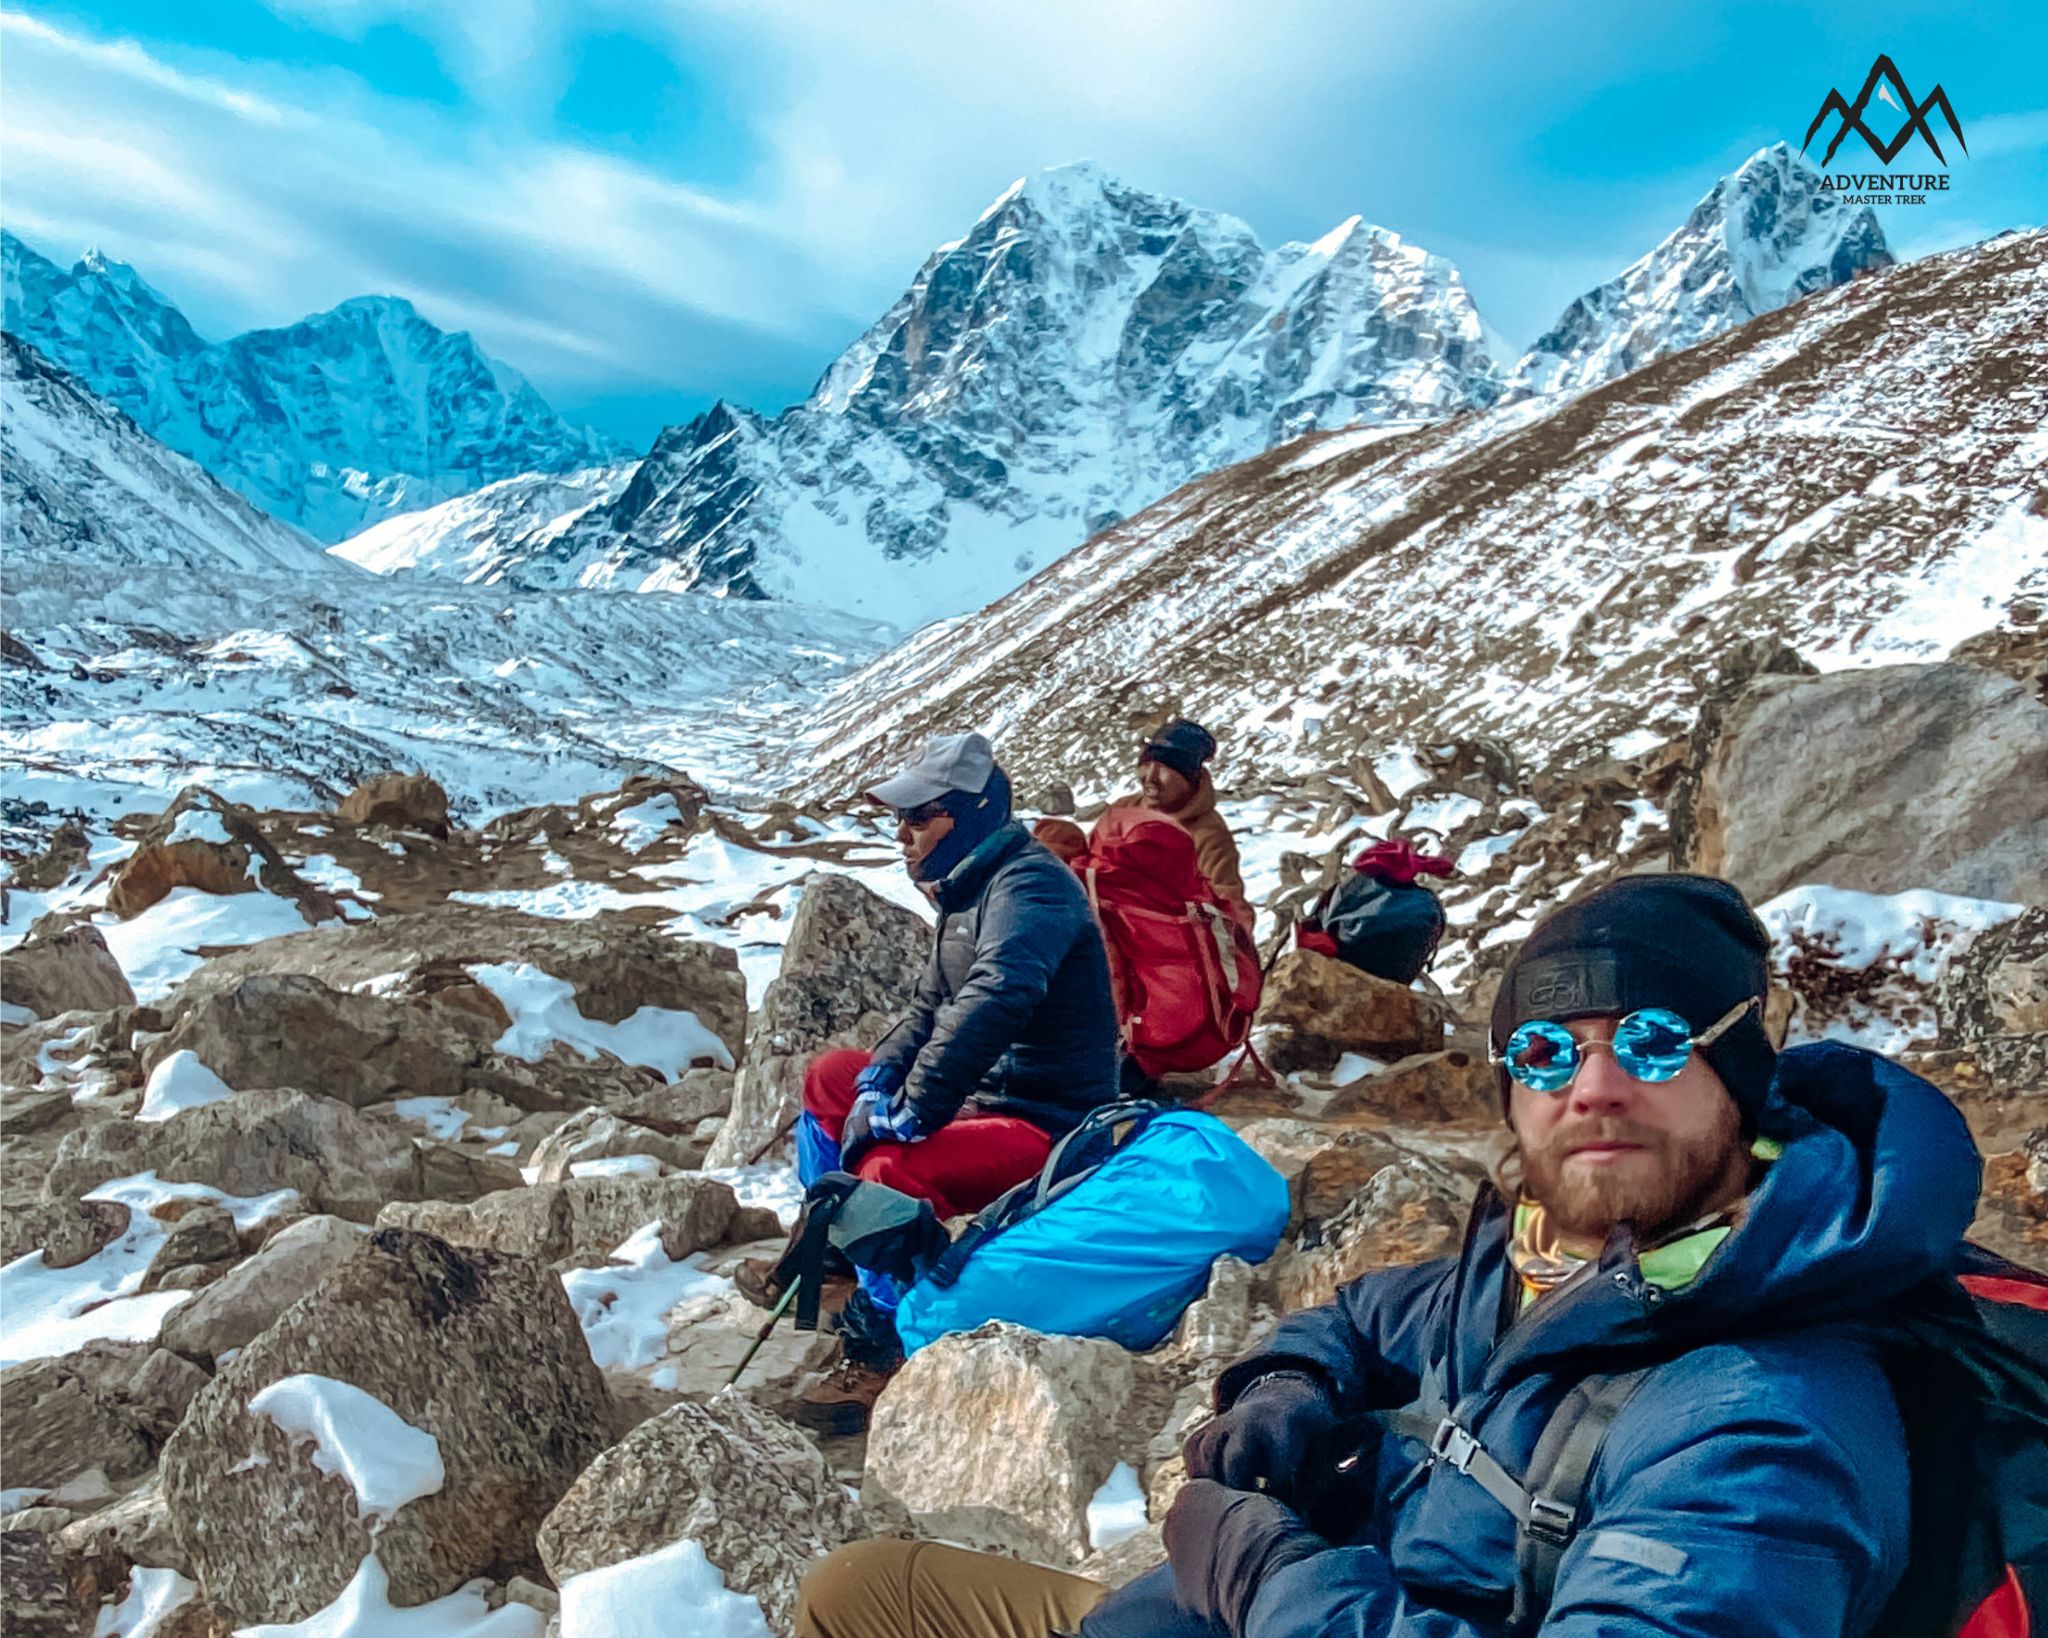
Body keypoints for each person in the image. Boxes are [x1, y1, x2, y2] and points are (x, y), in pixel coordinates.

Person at [795, 872, 1985, 1638]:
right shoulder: (1540, 1269)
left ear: (1745, 1070)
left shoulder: (1763, 1416)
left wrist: (1271, 1579)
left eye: (1653, 1042)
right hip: (1202, 1610)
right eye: (1541, 1052)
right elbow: (1362, 1319)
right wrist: (1282, 1387)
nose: (1595, 1089)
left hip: (1262, 1609)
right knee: (856, 1593)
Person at [751, 730, 1121, 1431]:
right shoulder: (967, 889)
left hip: (1051, 1121)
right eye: (903, 819)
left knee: (891, 1167)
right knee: (832, 1076)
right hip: (990, 1100)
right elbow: (931, 1005)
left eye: (921, 818)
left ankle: (880, 1339)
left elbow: (997, 995)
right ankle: (830, 1256)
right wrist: (882, 1076)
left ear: (974, 815)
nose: (903, 833)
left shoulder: (1032, 885)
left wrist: (917, 1106)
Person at [1109, 720, 1249, 927]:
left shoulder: (1207, 835)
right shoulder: (1123, 810)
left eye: (1164, 770)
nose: (1151, 779)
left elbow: (1230, 910)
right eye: (1146, 766)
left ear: (1188, 778)